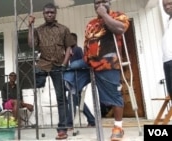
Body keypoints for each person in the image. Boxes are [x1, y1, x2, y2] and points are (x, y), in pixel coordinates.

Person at [28, 3, 75, 140]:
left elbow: (68, 48)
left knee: (61, 98)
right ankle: (38, 124)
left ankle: (62, 129)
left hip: (58, 66)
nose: (49, 14)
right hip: (42, 65)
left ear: (55, 14)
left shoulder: (64, 29)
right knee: (37, 93)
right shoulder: (38, 30)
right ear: (43, 14)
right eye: (47, 12)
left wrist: (64, 64)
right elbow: (31, 44)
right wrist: (30, 26)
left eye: (52, 12)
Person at [83, 0, 129, 140]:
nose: (100, 4)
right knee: (70, 76)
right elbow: (87, 42)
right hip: (91, 65)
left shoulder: (118, 16)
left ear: (109, 2)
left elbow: (120, 29)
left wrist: (104, 15)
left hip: (108, 64)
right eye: (97, 2)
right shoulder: (91, 23)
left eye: (103, 1)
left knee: (114, 96)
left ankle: (118, 127)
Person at [64, 33, 95, 129]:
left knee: (72, 101)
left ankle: (69, 124)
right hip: (74, 79)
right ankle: (92, 120)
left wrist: (69, 65)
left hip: (76, 80)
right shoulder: (70, 50)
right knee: (77, 101)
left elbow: (80, 63)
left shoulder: (77, 50)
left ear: (74, 40)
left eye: (70, 39)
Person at [162, 0, 172, 101]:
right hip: (167, 61)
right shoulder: (168, 21)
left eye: (170, 4)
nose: (167, 7)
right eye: (165, 5)